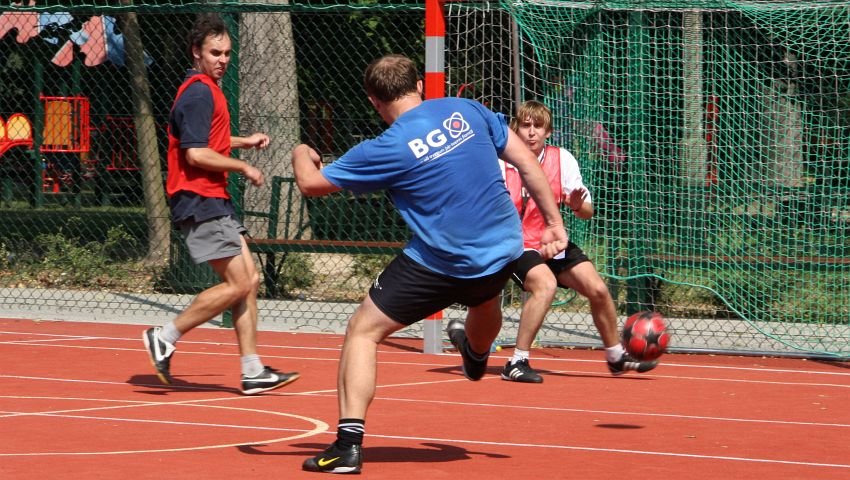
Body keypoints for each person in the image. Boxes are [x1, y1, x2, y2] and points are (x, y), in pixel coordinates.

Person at [291, 54, 567, 474]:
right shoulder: (466, 110)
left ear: (374, 101)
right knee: (484, 296)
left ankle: (347, 447)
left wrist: (300, 151)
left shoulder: (385, 147)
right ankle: (476, 353)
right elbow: (526, 162)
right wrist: (553, 224)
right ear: (419, 85)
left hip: (440, 263)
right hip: (501, 249)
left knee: (362, 331)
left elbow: (311, 183)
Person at [142, 13, 299, 395]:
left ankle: (252, 370)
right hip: (200, 199)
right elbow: (195, 154)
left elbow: (206, 139)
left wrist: (244, 141)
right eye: (215, 53)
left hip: (212, 198)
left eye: (227, 53)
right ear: (196, 52)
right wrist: (243, 166)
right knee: (240, 282)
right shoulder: (198, 92)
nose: (223, 60)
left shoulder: (207, 90)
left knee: (249, 282)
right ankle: (165, 336)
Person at [497, 100, 657, 383]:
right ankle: (517, 361)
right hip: (517, 246)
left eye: (538, 126)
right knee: (545, 286)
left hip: (554, 243)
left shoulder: (563, 159)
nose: (532, 132)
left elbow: (587, 212)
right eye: (526, 125)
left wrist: (576, 204)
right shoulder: (501, 163)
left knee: (598, 289)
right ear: (515, 129)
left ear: (548, 132)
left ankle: (615, 356)